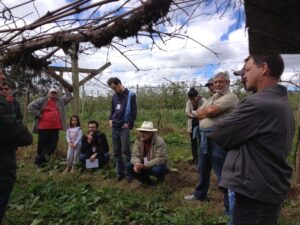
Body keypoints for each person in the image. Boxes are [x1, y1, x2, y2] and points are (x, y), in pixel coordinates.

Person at [211, 55, 294, 225]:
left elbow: (219, 133)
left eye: (248, 70)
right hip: (266, 187)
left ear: (263, 68)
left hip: (253, 190)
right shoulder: (280, 102)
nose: (244, 76)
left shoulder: (257, 103)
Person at [184, 72, 239, 216]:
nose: (218, 85)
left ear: (228, 82)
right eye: (216, 82)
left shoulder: (231, 97)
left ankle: (229, 209)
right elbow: (199, 113)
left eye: (221, 81)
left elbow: (212, 111)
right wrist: (202, 112)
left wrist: (203, 113)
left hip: (218, 138)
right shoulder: (213, 97)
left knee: (223, 174)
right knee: (202, 168)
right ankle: (200, 194)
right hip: (204, 137)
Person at [0, 68, 32, 223]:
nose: (2, 77)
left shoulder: (13, 103)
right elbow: (21, 134)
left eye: (6, 88)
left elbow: (17, 119)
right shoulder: (3, 104)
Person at [28, 87, 73, 166]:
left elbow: (69, 98)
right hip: (43, 127)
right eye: (51, 92)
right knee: (42, 145)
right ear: (48, 94)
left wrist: (67, 90)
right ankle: (42, 163)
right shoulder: (42, 100)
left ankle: (39, 161)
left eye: (55, 93)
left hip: (55, 127)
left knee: (52, 145)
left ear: (57, 94)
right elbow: (30, 106)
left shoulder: (60, 101)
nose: (53, 94)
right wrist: (38, 114)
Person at [107, 77, 137, 181]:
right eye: (112, 89)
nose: (114, 90)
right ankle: (120, 174)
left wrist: (129, 123)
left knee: (126, 151)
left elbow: (134, 112)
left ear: (119, 84)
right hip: (115, 126)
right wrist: (110, 119)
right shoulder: (114, 96)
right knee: (116, 152)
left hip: (124, 127)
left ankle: (130, 174)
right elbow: (112, 110)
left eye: (115, 87)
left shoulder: (130, 95)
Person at [127, 121, 168, 186]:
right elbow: (135, 155)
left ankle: (161, 181)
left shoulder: (159, 141)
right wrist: (137, 164)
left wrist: (144, 165)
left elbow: (160, 159)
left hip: (156, 164)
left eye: (145, 132)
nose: (142, 134)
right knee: (129, 166)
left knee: (157, 170)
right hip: (143, 163)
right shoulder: (138, 140)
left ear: (151, 133)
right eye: (141, 131)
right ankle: (149, 183)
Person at [185, 87, 205, 165]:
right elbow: (187, 113)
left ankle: (201, 160)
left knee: (201, 142)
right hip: (192, 125)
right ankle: (195, 159)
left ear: (197, 96)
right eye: (191, 99)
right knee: (193, 143)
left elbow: (204, 112)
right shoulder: (188, 102)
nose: (192, 101)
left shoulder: (203, 101)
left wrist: (193, 113)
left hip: (201, 125)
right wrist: (196, 115)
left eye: (194, 99)